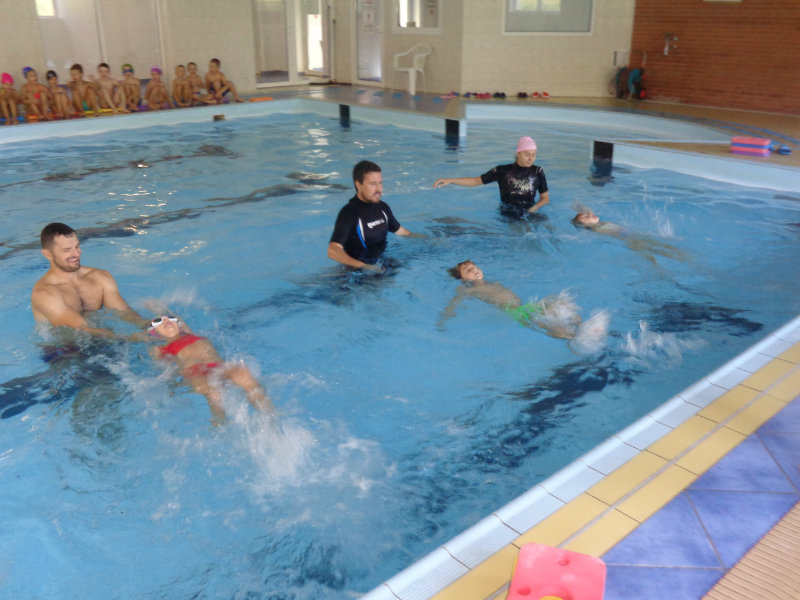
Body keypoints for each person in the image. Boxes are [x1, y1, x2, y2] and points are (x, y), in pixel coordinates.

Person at [441, 260, 609, 352]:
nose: (474, 269)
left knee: (558, 302)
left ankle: (580, 326)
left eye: (475, 266)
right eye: (468, 270)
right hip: (514, 312)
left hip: (522, 306)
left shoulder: (492, 282)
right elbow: (454, 302)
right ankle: (574, 339)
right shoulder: (466, 289)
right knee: (545, 323)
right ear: (462, 279)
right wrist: (446, 317)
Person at [147, 314, 273, 422]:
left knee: (244, 376)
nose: (165, 320)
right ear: (155, 333)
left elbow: (176, 317)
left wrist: (158, 308)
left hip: (218, 366)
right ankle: (221, 424)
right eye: (158, 321)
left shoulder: (190, 334)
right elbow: (163, 370)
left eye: (169, 318)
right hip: (194, 373)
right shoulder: (160, 348)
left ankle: (270, 416)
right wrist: (171, 385)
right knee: (213, 393)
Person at [31, 223, 144, 335]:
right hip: (65, 345)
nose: (76, 254)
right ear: (48, 254)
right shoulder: (44, 294)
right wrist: (134, 338)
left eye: (77, 246)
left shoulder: (99, 277)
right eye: (67, 250)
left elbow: (123, 312)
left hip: (103, 336)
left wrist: (147, 326)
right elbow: (83, 330)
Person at [327, 160, 420, 270]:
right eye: (372, 184)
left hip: (382, 264)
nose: (379, 189)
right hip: (357, 272)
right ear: (359, 185)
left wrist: (430, 241)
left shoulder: (383, 208)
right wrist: (366, 267)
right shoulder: (349, 213)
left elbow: (404, 233)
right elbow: (333, 251)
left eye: (380, 183)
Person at [433, 136, 550, 219]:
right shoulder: (502, 171)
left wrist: (536, 207)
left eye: (534, 155)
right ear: (518, 153)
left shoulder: (538, 171)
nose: (531, 158)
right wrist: (451, 180)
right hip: (509, 213)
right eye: (527, 154)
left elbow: (545, 198)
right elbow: (475, 181)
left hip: (530, 211)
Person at [572, 210, 685, 265]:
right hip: (633, 241)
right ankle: (663, 269)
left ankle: (679, 256)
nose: (590, 214)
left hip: (636, 238)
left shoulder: (599, 224)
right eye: (586, 216)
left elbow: (588, 213)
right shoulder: (597, 228)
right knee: (655, 254)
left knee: (663, 248)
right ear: (586, 224)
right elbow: (616, 234)